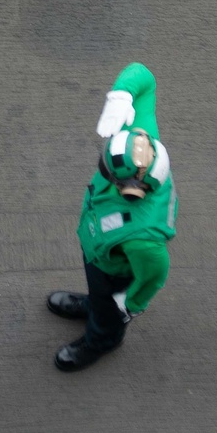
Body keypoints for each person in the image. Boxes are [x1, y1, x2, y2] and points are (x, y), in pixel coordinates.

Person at [47, 63, 177, 371]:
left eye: (109, 175)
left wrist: (129, 305)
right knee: (98, 296)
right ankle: (94, 305)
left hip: (114, 270)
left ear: (132, 190)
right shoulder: (141, 138)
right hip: (100, 251)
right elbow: (144, 77)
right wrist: (121, 95)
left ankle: (102, 340)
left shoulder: (144, 238)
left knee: (109, 310)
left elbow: (155, 273)